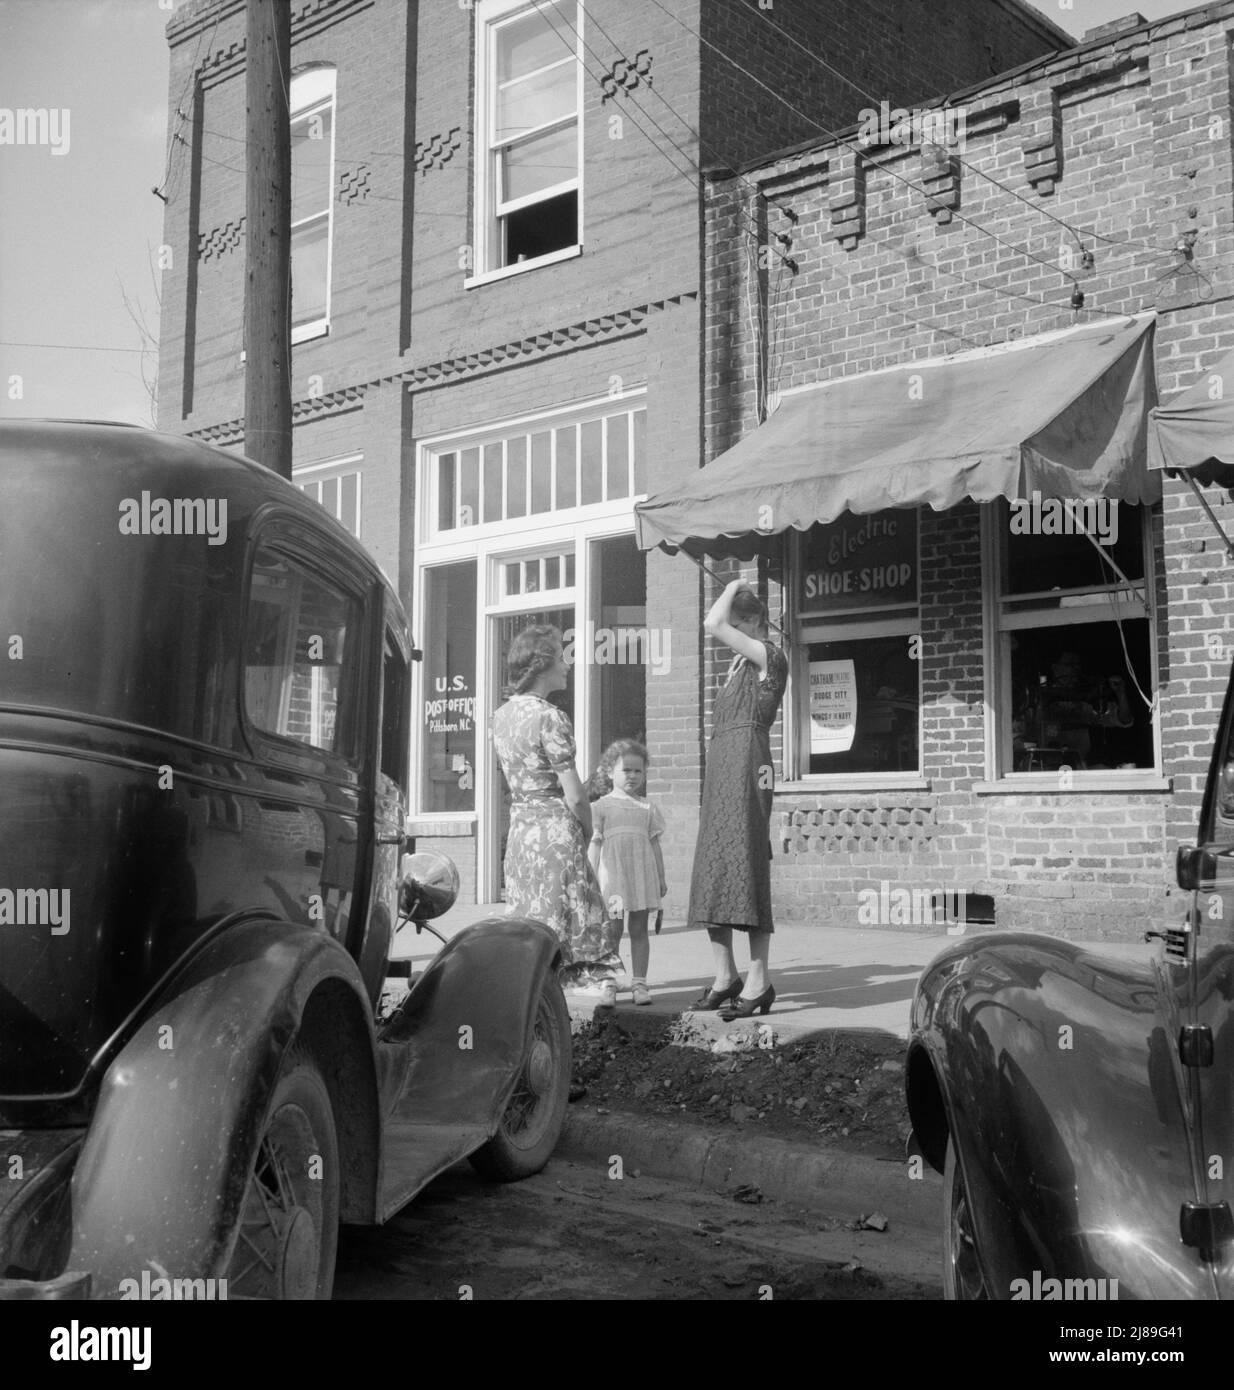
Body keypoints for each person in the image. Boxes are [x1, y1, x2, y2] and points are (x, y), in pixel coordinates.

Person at [491, 625, 622, 1009]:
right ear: (542, 663)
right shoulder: (550, 717)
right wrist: (587, 829)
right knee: (575, 909)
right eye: (562, 657)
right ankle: (584, 987)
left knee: (533, 913)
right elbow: (575, 795)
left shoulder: (501, 716)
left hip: (520, 832)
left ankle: (533, 994)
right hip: (553, 830)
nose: (568, 665)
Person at [688, 580, 789, 1020]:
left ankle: (759, 980)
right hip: (722, 766)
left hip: (749, 764)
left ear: (750, 623)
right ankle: (724, 976)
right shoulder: (736, 667)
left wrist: (731, 584)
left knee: (745, 861)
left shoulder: (771, 657)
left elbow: (711, 621)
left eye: (737, 627)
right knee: (715, 864)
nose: (730, 634)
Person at [588, 740, 667, 1006]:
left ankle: (640, 983)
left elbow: (655, 846)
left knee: (639, 929)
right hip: (614, 879)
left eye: (638, 771)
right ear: (610, 771)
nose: (632, 775)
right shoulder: (601, 807)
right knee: (612, 929)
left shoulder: (647, 808)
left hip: (641, 877)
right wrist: (591, 878)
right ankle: (609, 982)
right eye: (626, 770)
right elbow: (595, 844)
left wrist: (661, 877)